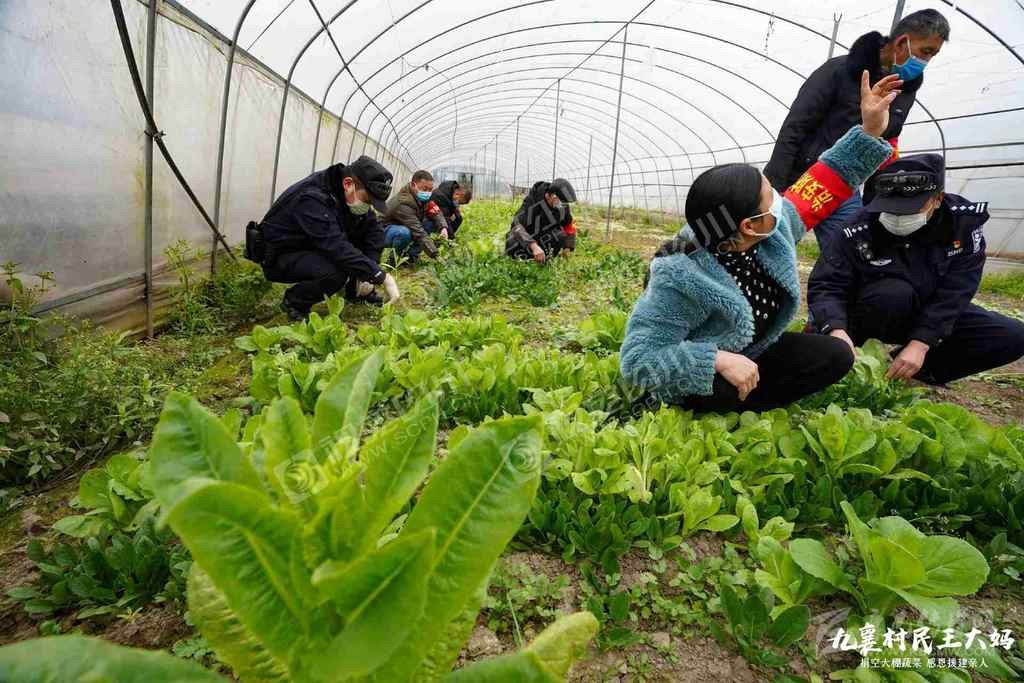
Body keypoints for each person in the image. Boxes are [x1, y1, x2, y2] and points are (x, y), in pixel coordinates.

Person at [619, 72, 902, 413]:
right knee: (723, 389)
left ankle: (750, 399)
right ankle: (723, 403)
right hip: (707, 373)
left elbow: (824, 181)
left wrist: (870, 130)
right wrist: (716, 359)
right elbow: (639, 360)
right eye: (771, 198)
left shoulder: (772, 232)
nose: (781, 202)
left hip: (754, 353)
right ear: (748, 226)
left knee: (835, 355)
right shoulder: (680, 275)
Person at [807, 154, 1024, 385]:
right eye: (891, 209)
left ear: (937, 199)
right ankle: (851, 363)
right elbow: (827, 284)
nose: (899, 216)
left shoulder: (962, 225)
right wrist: (836, 330)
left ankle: (910, 373)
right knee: (892, 293)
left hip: (926, 308)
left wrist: (921, 343)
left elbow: (956, 292)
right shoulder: (856, 227)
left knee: (1012, 335)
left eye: (909, 209)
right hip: (870, 308)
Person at [764, 8, 950, 254]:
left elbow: (884, 145)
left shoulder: (904, 91)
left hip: (843, 187)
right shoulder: (838, 71)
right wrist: (774, 187)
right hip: (800, 180)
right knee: (772, 248)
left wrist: (874, 205)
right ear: (901, 42)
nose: (926, 61)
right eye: (925, 51)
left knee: (851, 253)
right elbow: (795, 127)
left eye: (933, 55)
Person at [253, 155, 401, 320]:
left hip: (312, 244)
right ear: (348, 184)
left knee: (361, 241)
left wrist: (368, 271)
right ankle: (295, 302)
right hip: (282, 254)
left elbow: (374, 230)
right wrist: (381, 276)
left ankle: (356, 291)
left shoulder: (345, 192)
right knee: (335, 272)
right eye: (367, 201)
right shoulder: (312, 198)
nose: (368, 207)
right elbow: (336, 247)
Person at [505, 178, 578, 263]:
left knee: (559, 235)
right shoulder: (533, 200)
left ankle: (544, 259)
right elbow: (516, 226)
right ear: (553, 196)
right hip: (527, 236)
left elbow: (569, 225)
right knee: (513, 241)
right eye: (562, 202)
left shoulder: (562, 206)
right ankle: (524, 258)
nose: (564, 205)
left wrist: (568, 247)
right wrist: (533, 246)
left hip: (543, 237)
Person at [382, 170, 448, 262]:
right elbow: (418, 231)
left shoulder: (421, 198)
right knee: (404, 233)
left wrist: (443, 227)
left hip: (404, 225)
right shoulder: (403, 202)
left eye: (430, 190)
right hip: (383, 231)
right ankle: (394, 260)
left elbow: (436, 211)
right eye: (425, 189)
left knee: (431, 223)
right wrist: (436, 255)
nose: (428, 193)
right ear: (413, 185)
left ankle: (410, 257)